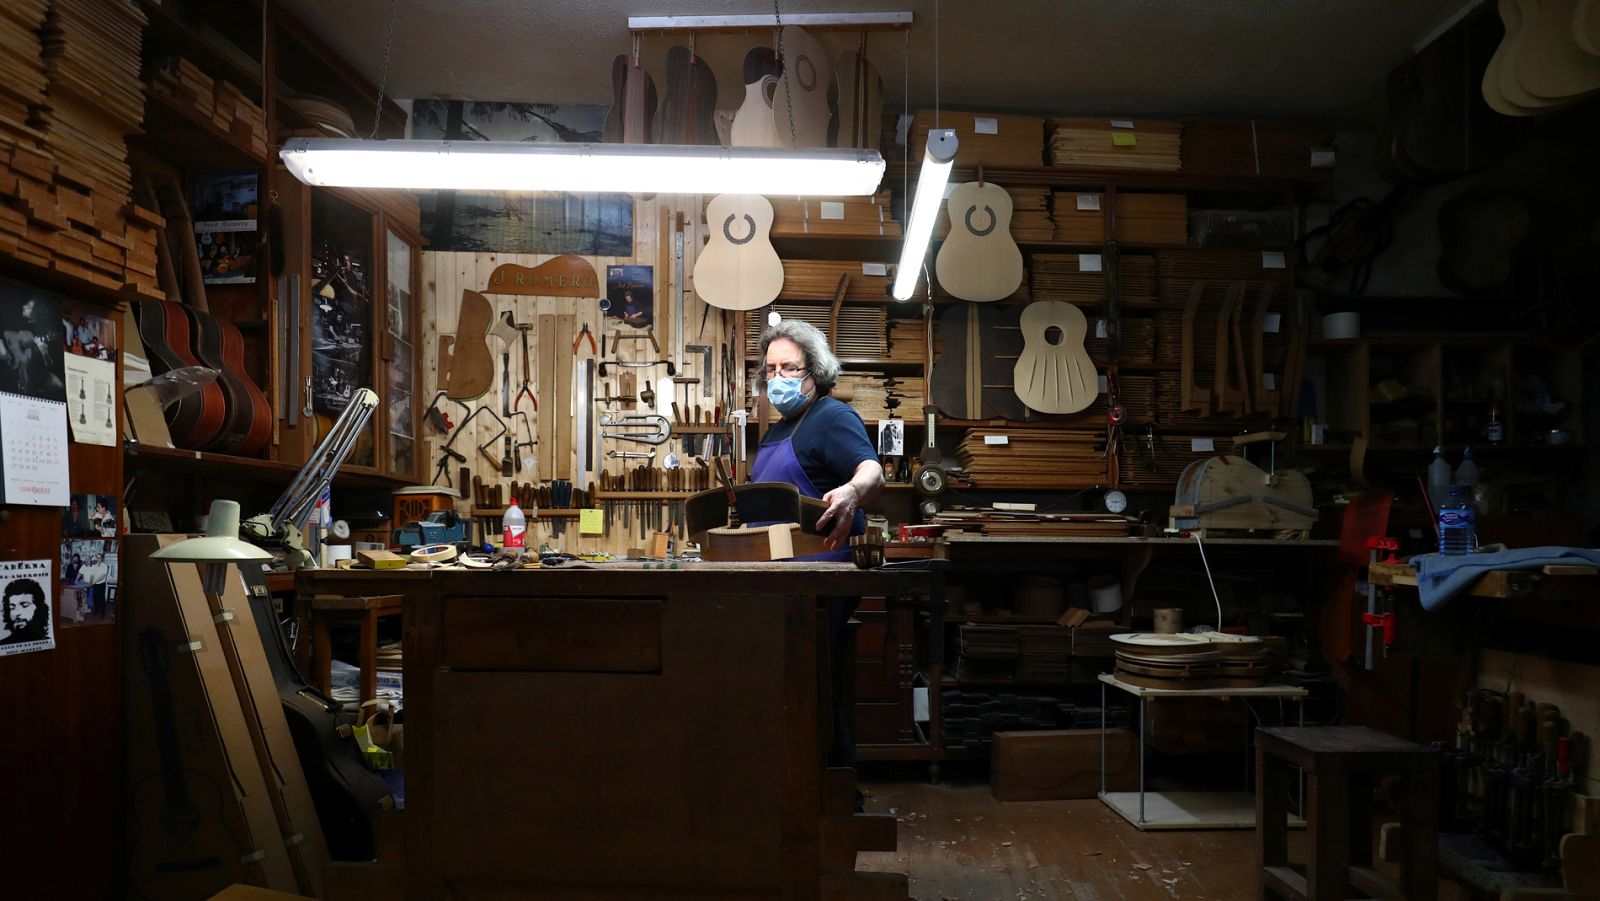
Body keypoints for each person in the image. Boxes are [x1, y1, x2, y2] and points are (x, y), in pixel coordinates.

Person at [753, 319, 884, 785]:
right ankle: (796, 790)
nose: (778, 378)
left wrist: (850, 493)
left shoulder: (831, 416)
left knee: (810, 684)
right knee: (794, 684)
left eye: (789, 367)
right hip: (780, 580)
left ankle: (831, 791)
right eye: (770, 370)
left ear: (815, 371)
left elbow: (872, 470)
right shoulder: (779, 428)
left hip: (818, 578)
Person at [0, 577, 49, 645]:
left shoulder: (47, 642)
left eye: (25, 605)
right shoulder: (3, 645)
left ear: (39, 607)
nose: (16, 613)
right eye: (12, 607)